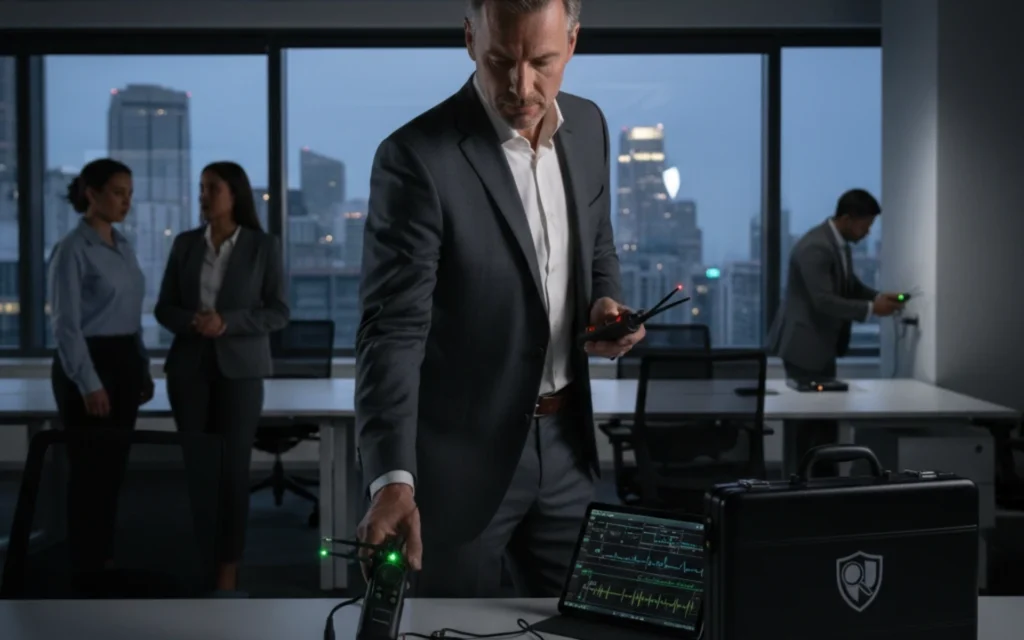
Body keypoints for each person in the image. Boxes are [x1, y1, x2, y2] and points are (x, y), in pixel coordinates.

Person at [355, 0, 642, 598]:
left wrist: (605, 303)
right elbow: (393, 332)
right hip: (460, 462)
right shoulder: (416, 157)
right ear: (468, 39)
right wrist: (391, 480)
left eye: (542, 62)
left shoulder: (588, 127)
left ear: (572, 44)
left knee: (579, 626)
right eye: (499, 61)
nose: (522, 86)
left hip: (567, 448)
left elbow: (597, 245)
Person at [154, 161, 289, 594]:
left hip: (241, 371)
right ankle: (199, 558)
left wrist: (226, 322)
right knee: (197, 471)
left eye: (212, 188)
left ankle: (227, 567)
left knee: (232, 471)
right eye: (201, 188)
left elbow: (278, 311)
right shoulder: (185, 245)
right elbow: (163, 308)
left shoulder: (262, 246)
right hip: (189, 369)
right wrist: (195, 321)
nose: (203, 196)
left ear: (235, 194)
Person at [49, 158, 153, 582]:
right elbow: (66, 326)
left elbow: (130, 314)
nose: (126, 201)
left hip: (124, 360)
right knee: (89, 471)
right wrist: (89, 383)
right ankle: (84, 565)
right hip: (88, 365)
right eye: (117, 192)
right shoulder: (72, 249)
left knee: (112, 472)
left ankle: (103, 558)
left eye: (129, 193)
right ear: (90, 193)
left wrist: (142, 367)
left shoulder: (123, 244)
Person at [767, 188, 904, 475]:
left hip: (819, 345)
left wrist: (879, 297)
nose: (867, 233)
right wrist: (871, 310)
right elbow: (824, 300)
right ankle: (805, 488)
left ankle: (818, 486)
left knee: (820, 423)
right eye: (864, 226)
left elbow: (849, 285)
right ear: (846, 218)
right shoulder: (816, 247)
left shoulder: (837, 244)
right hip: (805, 346)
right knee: (809, 426)